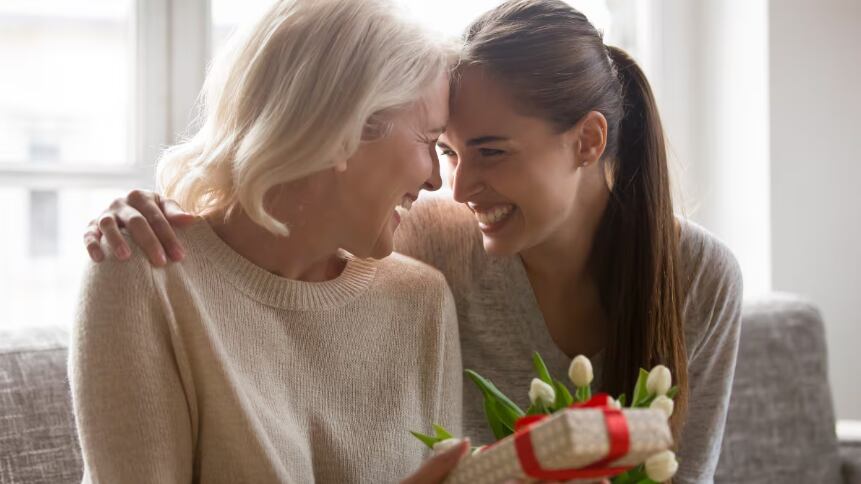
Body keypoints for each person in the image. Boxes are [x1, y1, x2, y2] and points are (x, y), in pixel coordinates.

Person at [85, 1, 743, 482]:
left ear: (588, 141)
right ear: (342, 130)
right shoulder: (426, 247)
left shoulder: (418, 287)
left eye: (487, 151)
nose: (446, 185)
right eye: (443, 149)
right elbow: (260, 228)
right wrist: (146, 213)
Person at [69, 0, 467, 482]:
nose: (435, 183)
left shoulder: (422, 300)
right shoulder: (144, 269)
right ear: (348, 126)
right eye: (429, 141)